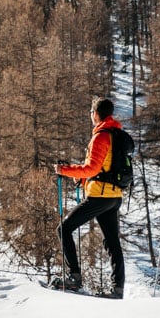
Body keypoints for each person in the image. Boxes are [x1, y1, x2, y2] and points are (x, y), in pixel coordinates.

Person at [53, 97, 125, 298]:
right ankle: (117, 289)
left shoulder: (101, 136)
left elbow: (92, 168)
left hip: (99, 196)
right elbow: (103, 168)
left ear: (96, 113)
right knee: (112, 242)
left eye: (91, 112)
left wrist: (63, 170)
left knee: (63, 229)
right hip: (114, 195)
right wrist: (83, 180)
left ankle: (74, 278)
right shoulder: (116, 134)